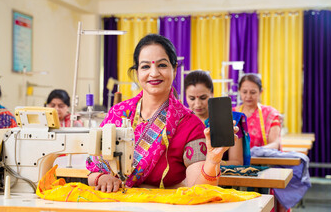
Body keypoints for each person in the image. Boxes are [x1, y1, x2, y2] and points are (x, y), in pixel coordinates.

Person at [86, 34, 237, 192]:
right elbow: (93, 170)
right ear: (137, 72)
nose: (154, 73)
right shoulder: (118, 113)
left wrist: (213, 159)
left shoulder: (189, 125)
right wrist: (101, 178)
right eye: (145, 66)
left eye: (162, 65)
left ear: (174, 69)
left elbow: (199, 189)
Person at [184, 70, 243, 165]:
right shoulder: (182, 121)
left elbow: (237, 162)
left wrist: (211, 163)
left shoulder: (230, 120)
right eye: (192, 98)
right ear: (186, 96)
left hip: (221, 176)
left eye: (203, 98)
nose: (197, 104)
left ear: (212, 94)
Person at [233, 74, 281, 150]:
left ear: (260, 92)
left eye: (253, 92)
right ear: (239, 91)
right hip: (236, 161)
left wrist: (256, 152)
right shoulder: (232, 113)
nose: (248, 96)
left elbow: (275, 144)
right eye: (244, 92)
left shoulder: (270, 114)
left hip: (262, 159)